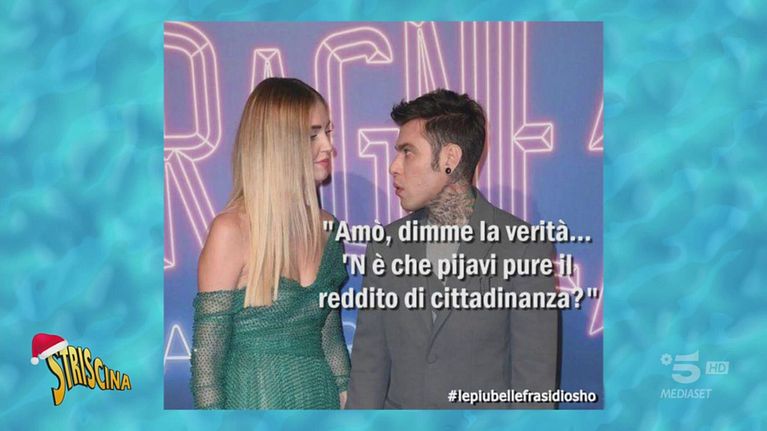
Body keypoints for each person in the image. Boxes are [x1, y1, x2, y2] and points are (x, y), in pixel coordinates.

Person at [347, 89, 559, 409]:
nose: (393, 166)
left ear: (449, 159)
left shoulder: (525, 249)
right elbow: (368, 368)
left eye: (408, 152)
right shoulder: (385, 247)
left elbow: (534, 387)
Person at [190, 77, 350, 409]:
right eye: (312, 135)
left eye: (327, 132)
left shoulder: (329, 229)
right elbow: (207, 369)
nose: (328, 147)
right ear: (277, 144)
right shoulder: (231, 231)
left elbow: (330, 339)